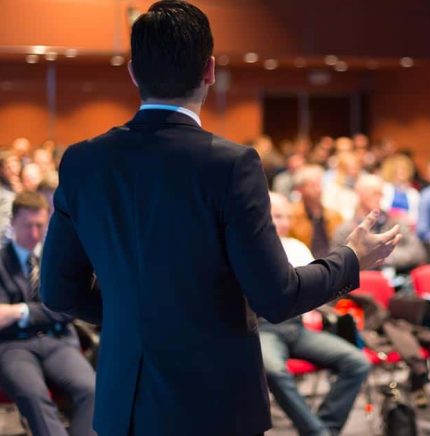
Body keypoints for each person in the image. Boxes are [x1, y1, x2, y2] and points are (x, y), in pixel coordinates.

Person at [39, 2, 401, 435]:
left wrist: (133, 314)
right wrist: (351, 258)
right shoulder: (230, 165)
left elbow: (59, 293)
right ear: (209, 70)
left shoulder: (83, 162)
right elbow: (277, 296)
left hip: (124, 404)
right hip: (214, 404)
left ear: (134, 72)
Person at [260, 193, 370, 436]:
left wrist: (316, 310)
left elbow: (318, 289)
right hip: (264, 328)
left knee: (358, 362)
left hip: (296, 326)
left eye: (288, 216)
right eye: (278, 216)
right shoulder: (252, 251)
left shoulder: (296, 246)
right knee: (274, 371)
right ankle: (317, 432)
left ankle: (324, 428)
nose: (285, 222)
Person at [0, 192, 96, 435]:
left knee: (92, 390)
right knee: (34, 395)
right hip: (13, 345)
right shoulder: (2, 260)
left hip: (57, 340)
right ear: (13, 223)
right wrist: (46, 310)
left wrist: (19, 310)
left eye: (40, 226)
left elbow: (67, 309)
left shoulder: (57, 256)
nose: (34, 233)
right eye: (28, 225)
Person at [333, 175, 425, 274]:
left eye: (381, 193)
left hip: (399, 279)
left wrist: (385, 257)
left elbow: (418, 253)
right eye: (375, 193)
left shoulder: (395, 221)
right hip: (363, 284)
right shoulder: (346, 229)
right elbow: (338, 265)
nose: (380, 197)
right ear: (360, 194)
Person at [289, 165, 345, 258]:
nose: (319, 189)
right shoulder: (291, 216)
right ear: (300, 189)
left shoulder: (335, 216)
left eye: (320, 184)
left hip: (332, 263)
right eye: (313, 185)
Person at [379, 154, 420, 227]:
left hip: (407, 227)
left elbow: (415, 217)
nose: (403, 172)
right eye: (400, 169)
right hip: (386, 224)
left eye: (405, 169)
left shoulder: (413, 193)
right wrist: (397, 214)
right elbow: (382, 208)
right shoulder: (385, 188)